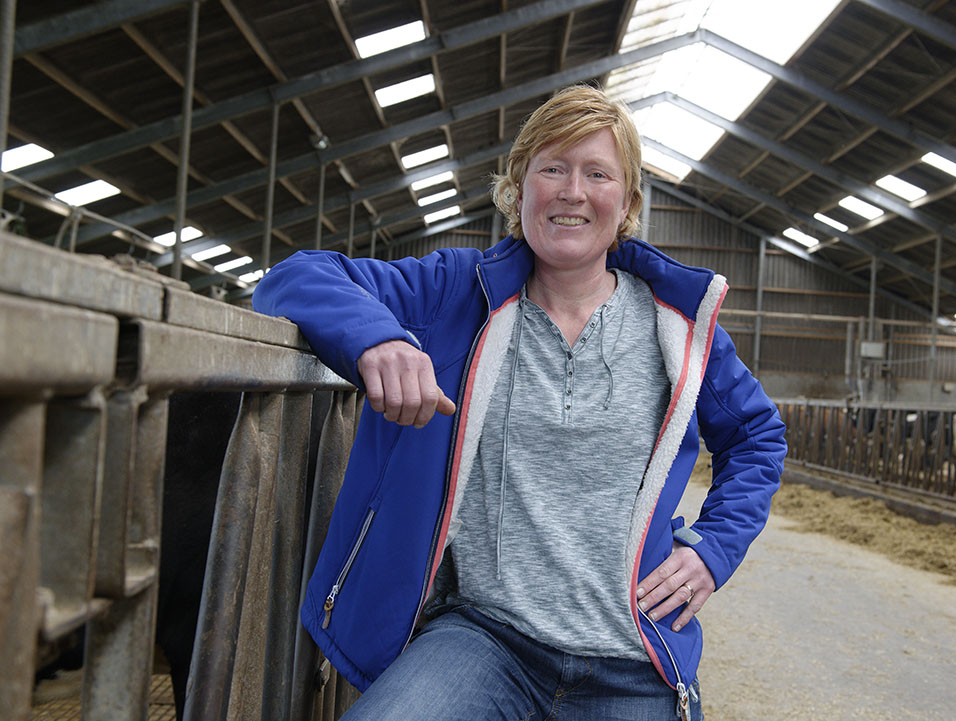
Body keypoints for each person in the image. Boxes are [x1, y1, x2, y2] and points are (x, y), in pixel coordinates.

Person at [252, 84, 786, 721]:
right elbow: (296, 275)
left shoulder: (676, 326)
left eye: (597, 174)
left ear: (628, 202)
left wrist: (711, 549)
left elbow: (758, 437)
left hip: (630, 658)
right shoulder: (458, 291)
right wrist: (379, 340)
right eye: (552, 168)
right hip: (483, 638)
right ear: (518, 188)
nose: (572, 190)